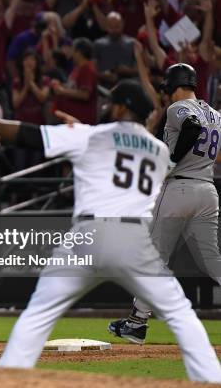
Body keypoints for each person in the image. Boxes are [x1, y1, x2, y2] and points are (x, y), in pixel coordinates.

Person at [0, 82, 221, 383]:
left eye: (113, 103)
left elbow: (27, 135)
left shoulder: (91, 136)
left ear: (122, 108)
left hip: (86, 236)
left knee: (40, 311)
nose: (108, 106)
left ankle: (8, 375)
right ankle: (210, 377)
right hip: (133, 240)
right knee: (179, 313)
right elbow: (124, 148)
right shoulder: (159, 150)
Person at [109, 63, 221, 344]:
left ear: (174, 85)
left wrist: (170, 162)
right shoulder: (216, 114)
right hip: (208, 190)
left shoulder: (178, 108)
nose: (167, 94)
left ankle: (137, 323)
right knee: (212, 261)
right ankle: (137, 321)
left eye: (167, 88)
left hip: (179, 188)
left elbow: (192, 127)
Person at [51, 38, 98, 125]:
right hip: (71, 120)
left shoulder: (87, 69)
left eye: (73, 50)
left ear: (79, 52)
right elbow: (74, 87)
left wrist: (62, 91)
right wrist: (61, 86)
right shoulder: (77, 68)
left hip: (82, 121)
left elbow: (85, 94)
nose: (71, 53)